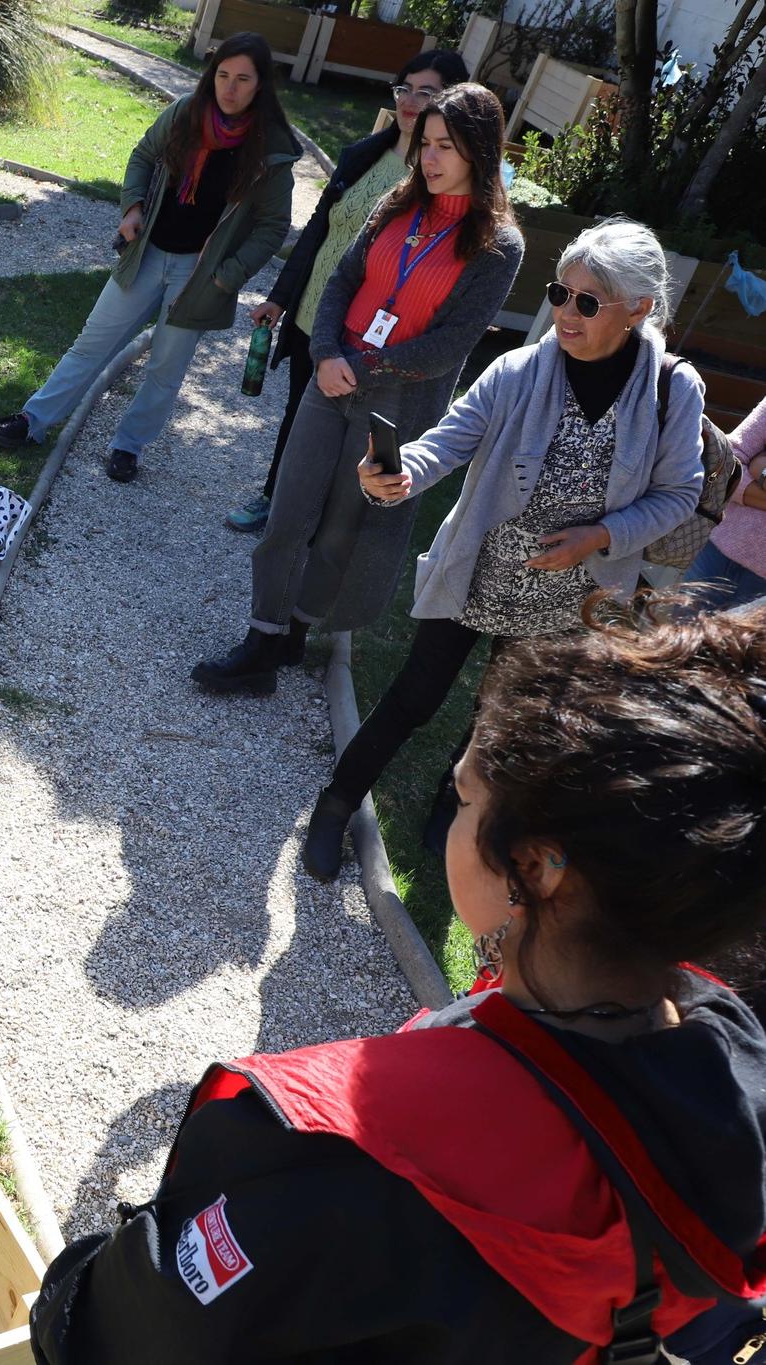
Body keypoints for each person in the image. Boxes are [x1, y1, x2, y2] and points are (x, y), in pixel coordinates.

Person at [32, 605, 766, 1364]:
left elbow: (131, 1327)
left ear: (536, 867)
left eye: (466, 798)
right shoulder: (738, 1090)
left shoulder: (343, 1153)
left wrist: (72, 1291)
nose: (454, 817)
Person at [299, 219, 706, 882]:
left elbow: (678, 494)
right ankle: (335, 803)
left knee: (500, 716)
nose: (564, 313)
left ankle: (449, 813)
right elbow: (449, 439)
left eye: (586, 301)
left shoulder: (671, 390)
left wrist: (600, 536)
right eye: (559, 292)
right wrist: (401, 477)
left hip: (573, 590)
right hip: (482, 568)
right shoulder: (519, 370)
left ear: (638, 309)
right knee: (416, 696)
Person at [193, 83, 524, 694]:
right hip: (333, 375)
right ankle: (261, 638)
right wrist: (324, 353)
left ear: (479, 151)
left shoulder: (499, 246)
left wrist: (364, 368)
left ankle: (296, 631)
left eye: (445, 146)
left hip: (396, 400)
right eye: (425, 143)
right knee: (290, 511)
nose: (428, 158)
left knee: (344, 527)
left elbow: (450, 344)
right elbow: (340, 281)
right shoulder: (396, 205)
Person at [0, 32, 300, 483]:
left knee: (166, 369)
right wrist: (132, 209)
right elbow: (143, 156)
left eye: (243, 79)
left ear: (260, 86)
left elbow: (272, 226)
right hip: (147, 252)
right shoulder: (187, 113)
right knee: (90, 344)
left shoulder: (271, 149)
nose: (230, 88)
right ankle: (31, 423)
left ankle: (127, 447)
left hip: (200, 274)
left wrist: (228, 275)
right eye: (223, 75)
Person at [225, 48, 470, 534]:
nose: (411, 101)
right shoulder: (364, 155)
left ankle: (330, 527)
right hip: (313, 311)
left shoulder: (438, 178)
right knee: (298, 415)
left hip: (369, 332)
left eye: (427, 93)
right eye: (405, 89)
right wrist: (281, 295)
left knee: (354, 431)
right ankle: (276, 500)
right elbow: (319, 230)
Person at [683, 396, 766, 611]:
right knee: (675, 637)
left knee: (742, 646)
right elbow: (727, 461)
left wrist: (758, 467)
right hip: (716, 551)